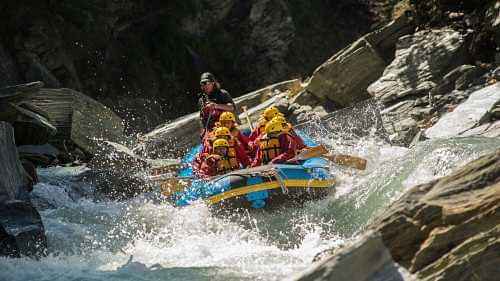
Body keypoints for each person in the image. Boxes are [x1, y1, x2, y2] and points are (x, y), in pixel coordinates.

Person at [198, 72, 236, 137]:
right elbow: (202, 119)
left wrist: (216, 105)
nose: (204, 86)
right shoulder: (201, 100)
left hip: (227, 126)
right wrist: (204, 132)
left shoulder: (222, 94)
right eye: (202, 84)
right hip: (213, 130)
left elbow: (232, 107)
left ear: (213, 83)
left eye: (206, 83)